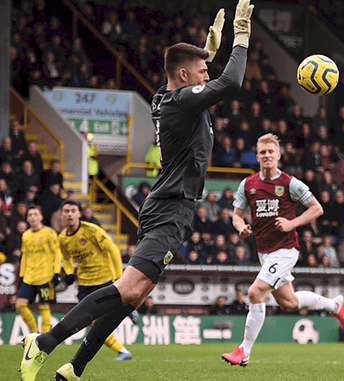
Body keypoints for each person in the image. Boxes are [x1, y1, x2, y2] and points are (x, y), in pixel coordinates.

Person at [20, 2, 252, 380]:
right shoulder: (180, 101)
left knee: (135, 296)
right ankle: (45, 342)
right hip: (171, 208)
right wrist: (240, 37)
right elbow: (233, 82)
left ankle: (74, 368)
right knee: (128, 289)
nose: (208, 75)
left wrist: (207, 54)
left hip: (168, 206)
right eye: (203, 71)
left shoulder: (168, 97)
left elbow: (191, 75)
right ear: (184, 75)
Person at [222, 133, 344, 367]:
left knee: (255, 292)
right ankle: (335, 305)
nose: (267, 155)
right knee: (288, 303)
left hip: (286, 249)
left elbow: (316, 209)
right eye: (263, 152)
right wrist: (240, 228)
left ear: (279, 155)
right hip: (265, 252)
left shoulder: (290, 183)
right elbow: (236, 216)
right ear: (257, 156)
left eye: (271, 152)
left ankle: (244, 351)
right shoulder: (247, 184)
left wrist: (292, 223)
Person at [57, 200, 134, 364]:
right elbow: (65, 257)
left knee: (111, 313)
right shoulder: (62, 238)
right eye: (66, 211)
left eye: (73, 211)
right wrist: (70, 272)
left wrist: (117, 276)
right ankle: (122, 351)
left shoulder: (91, 230)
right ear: (61, 215)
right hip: (85, 283)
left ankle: (129, 307)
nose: (69, 214)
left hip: (104, 278)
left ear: (79, 213)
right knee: (92, 322)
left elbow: (112, 249)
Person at [16, 205, 61, 335]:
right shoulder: (25, 235)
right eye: (30, 215)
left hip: (45, 278)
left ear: (41, 217)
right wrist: (21, 275)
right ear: (27, 218)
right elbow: (25, 256)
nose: (32, 217)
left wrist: (57, 272)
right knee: (20, 305)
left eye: (35, 214)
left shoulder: (49, 233)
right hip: (29, 278)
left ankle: (44, 338)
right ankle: (35, 333)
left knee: (44, 307)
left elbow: (57, 253)